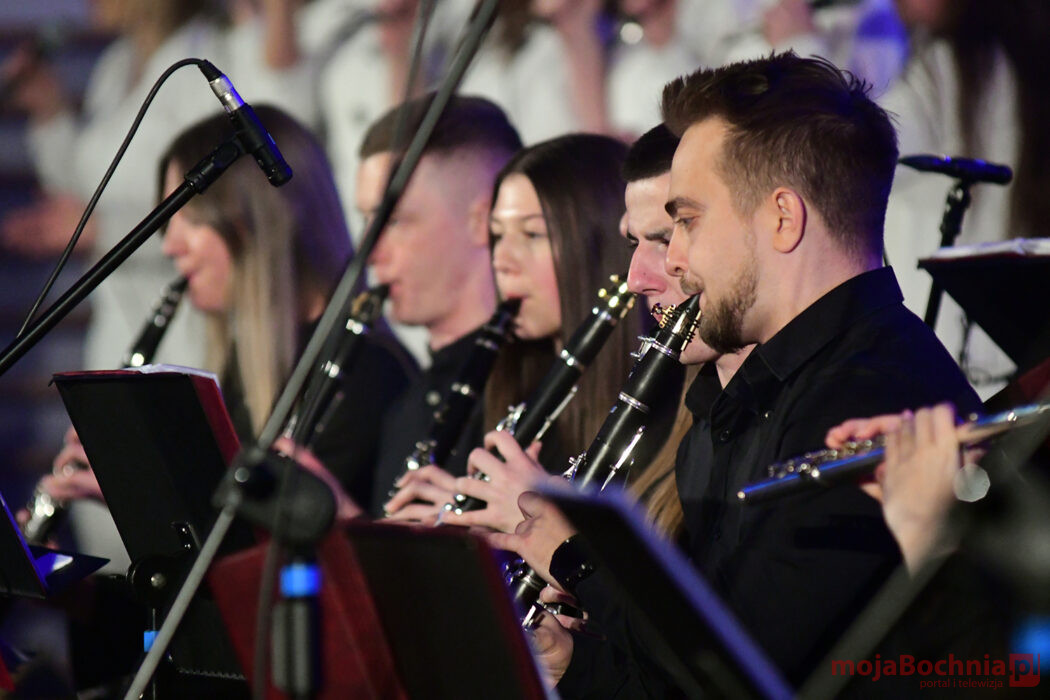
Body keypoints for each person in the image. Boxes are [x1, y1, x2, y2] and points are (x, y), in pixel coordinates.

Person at [517, 53, 981, 694]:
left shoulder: (873, 391)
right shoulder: (733, 396)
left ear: (783, 218)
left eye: (686, 221)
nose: (671, 260)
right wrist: (575, 665)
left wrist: (581, 561)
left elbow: (742, 673)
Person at [40, 106, 414, 517]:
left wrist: (149, 496)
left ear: (255, 222)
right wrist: (135, 493)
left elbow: (271, 545)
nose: (170, 246)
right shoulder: (249, 362)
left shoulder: (367, 372)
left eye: (190, 218)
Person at [386, 133, 644, 526]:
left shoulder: (652, 405)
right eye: (497, 236)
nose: (501, 260)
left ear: (599, 244)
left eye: (532, 234)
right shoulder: (514, 386)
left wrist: (532, 522)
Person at [352, 94, 524, 517]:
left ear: (484, 220)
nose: (369, 252)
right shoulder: (404, 410)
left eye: (394, 220)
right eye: (367, 221)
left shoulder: (536, 391)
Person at [880, 0, 1050, 397]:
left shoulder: (948, 72)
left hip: (949, 357)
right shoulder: (1024, 69)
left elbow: (846, 155)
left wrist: (799, 43)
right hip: (1014, 349)